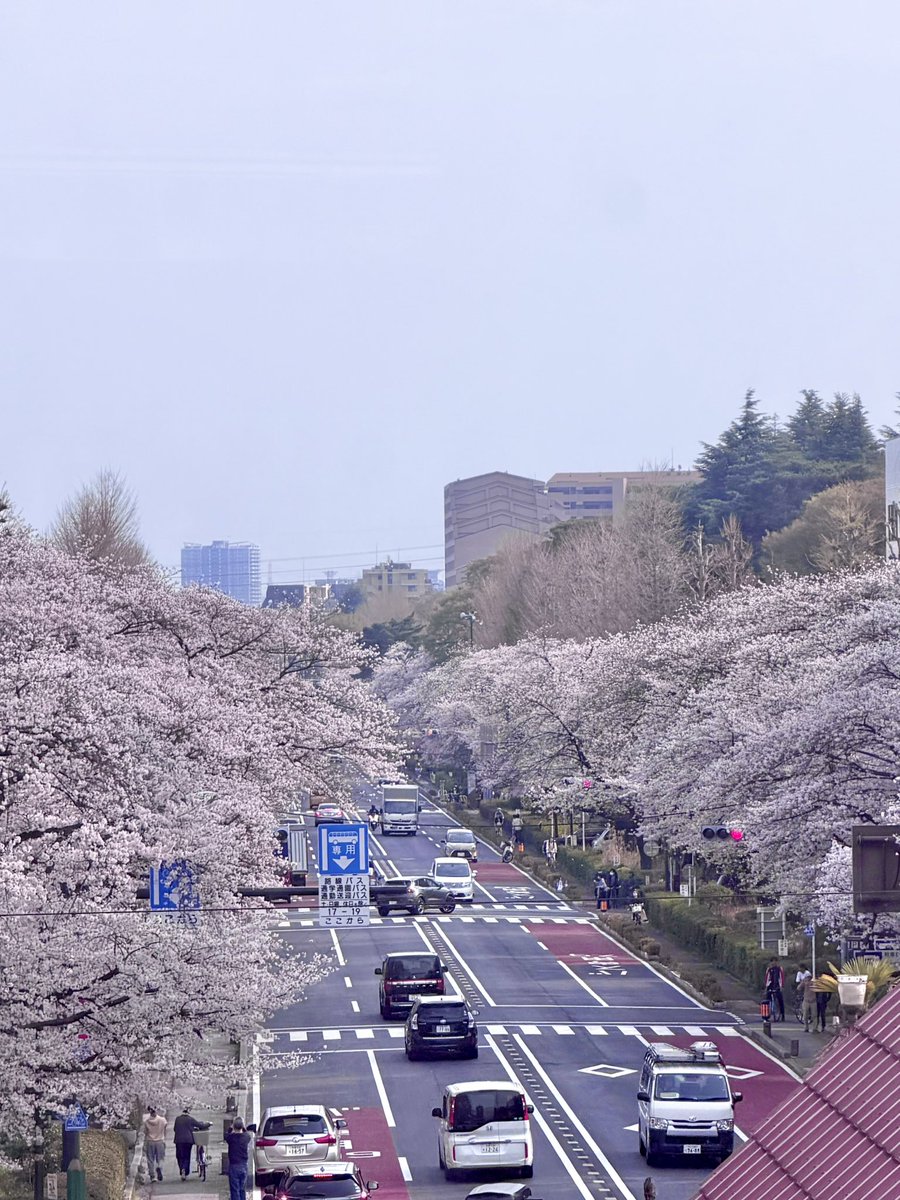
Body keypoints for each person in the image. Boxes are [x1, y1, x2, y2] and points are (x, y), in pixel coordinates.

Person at [173, 1106, 209, 1180]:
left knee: (179, 1155)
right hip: (188, 1140)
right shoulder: (190, 1119)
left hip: (179, 1140)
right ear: (188, 1113)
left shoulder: (177, 1119)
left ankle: (182, 1168)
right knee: (187, 1156)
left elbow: (175, 1129)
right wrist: (208, 1124)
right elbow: (200, 1125)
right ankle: (185, 1170)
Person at [224, 1118, 252, 1200]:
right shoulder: (246, 1137)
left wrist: (230, 1128)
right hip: (244, 1165)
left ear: (233, 1126)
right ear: (242, 1126)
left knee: (235, 1189)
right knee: (242, 1188)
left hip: (234, 1166)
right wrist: (243, 1127)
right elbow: (247, 1133)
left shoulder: (231, 1138)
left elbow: (226, 1135)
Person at [143, 1107, 168, 1183]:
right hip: (160, 1141)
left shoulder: (146, 1121)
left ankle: (152, 1176)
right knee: (160, 1158)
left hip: (150, 1141)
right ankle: (159, 1167)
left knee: (150, 1159)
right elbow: (165, 1128)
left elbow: (145, 1132)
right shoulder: (162, 1120)